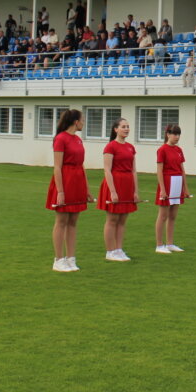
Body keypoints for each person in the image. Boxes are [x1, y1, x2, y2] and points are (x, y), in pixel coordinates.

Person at [46, 109, 92, 273]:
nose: (83, 123)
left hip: (77, 181)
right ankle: (58, 259)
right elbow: (57, 167)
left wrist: (86, 188)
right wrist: (60, 191)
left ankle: (71, 258)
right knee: (62, 220)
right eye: (82, 120)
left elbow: (81, 165)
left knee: (73, 221)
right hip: (65, 180)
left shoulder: (78, 140)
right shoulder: (60, 139)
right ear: (75, 121)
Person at [98, 118, 140, 262]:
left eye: (128, 126)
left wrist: (135, 191)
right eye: (123, 126)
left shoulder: (130, 147)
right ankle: (110, 251)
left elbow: (134, 170)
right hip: (115, 184)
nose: (126, 129)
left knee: (123, 219)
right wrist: (113, 191)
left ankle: (119, 249)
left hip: (127, 185)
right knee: (112, 219)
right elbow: (107, 170)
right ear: (116, 129)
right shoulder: (111, 147)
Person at [155, 124, 190, 253]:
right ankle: (159, 245)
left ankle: (170, 243)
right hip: (167, 182)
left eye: (178, 134)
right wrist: (163, 189)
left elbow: (182, 169)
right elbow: (159, 170)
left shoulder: (179, 150)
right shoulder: (162, 150)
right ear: (168, 134)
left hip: (178, 182)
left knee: (173, 215)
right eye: (174, 134)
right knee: (163, 215)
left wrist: (185, 188)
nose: (177, 137)